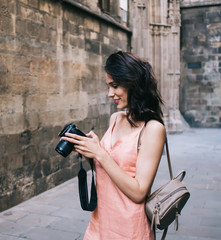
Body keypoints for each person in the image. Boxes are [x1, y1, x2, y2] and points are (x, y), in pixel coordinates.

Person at [61, 51, 166, 240]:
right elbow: (107, 167)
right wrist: (88, 150)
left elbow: (139, 192)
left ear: (133, 83)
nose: (110, 94)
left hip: (129, 228)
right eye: (108, 86)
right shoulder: (116, 118)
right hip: (100, 220)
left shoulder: (153, 129)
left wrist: (100, 154)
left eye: (115, 86)